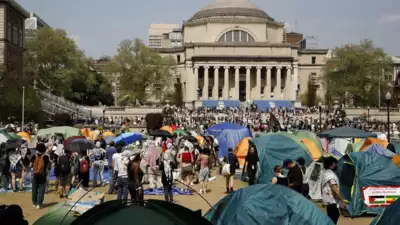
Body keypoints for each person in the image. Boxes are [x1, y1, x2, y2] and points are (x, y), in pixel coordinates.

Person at [322, 157, 346, 224]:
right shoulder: (330, 175)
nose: (336, 165)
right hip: (332, 201)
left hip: (328, 200)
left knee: (332, 217)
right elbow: (335, 189)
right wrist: (342, 201)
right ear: (332, 164)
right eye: (335, 163)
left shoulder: (325, 173)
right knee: (333, 217)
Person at [30, 143, 50, 209]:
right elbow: (48, 166)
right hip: (42, 175)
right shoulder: (45, 157)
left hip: (35, 175)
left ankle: (34, 203)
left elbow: (30, 165)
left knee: (34, 189)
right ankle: (39, 204)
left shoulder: (34, 156)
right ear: (44, 149)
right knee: (41, 190)